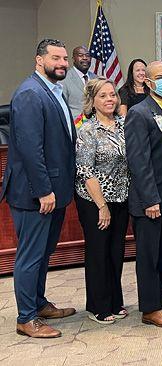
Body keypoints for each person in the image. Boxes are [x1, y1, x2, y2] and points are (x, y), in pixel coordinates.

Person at [0, 39, 77, 338]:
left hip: (53, 191)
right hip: (36, 193)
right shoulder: (31, 94)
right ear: (38, 60)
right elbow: (31, 150)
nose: (62, 63)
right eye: (55, 58)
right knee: (31, 256)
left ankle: (39, 303)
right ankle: (26, 317)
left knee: (44, 253)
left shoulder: (53, 90)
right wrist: (43, 190)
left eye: (65, 58)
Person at [125, 61, 162, 327]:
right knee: (148, 255)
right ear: (147, 82)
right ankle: (150, 308)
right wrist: (150, 198)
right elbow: (138, 160)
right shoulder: (139, 112)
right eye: (160, 77)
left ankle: (160, 296)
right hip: (150, 200)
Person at [75, 77, 129, 324]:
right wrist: (102, 207)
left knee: (116, 252)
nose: (110, 99)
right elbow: (86, 172)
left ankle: (115, 300)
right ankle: (98, 305)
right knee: (99, 252)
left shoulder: (123, 124)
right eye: (104, 96)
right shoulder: (87, 131)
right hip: (94, 201)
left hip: (121, 198)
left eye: (112, 95)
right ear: (93, 101)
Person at [61, 46, 97, 119]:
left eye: (87, 55)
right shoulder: (64, 79)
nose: (85, 58)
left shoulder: (96, 78)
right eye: (80, 55)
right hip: (76, 125)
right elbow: (62, 108)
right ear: (73, 59)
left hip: (96, 125)